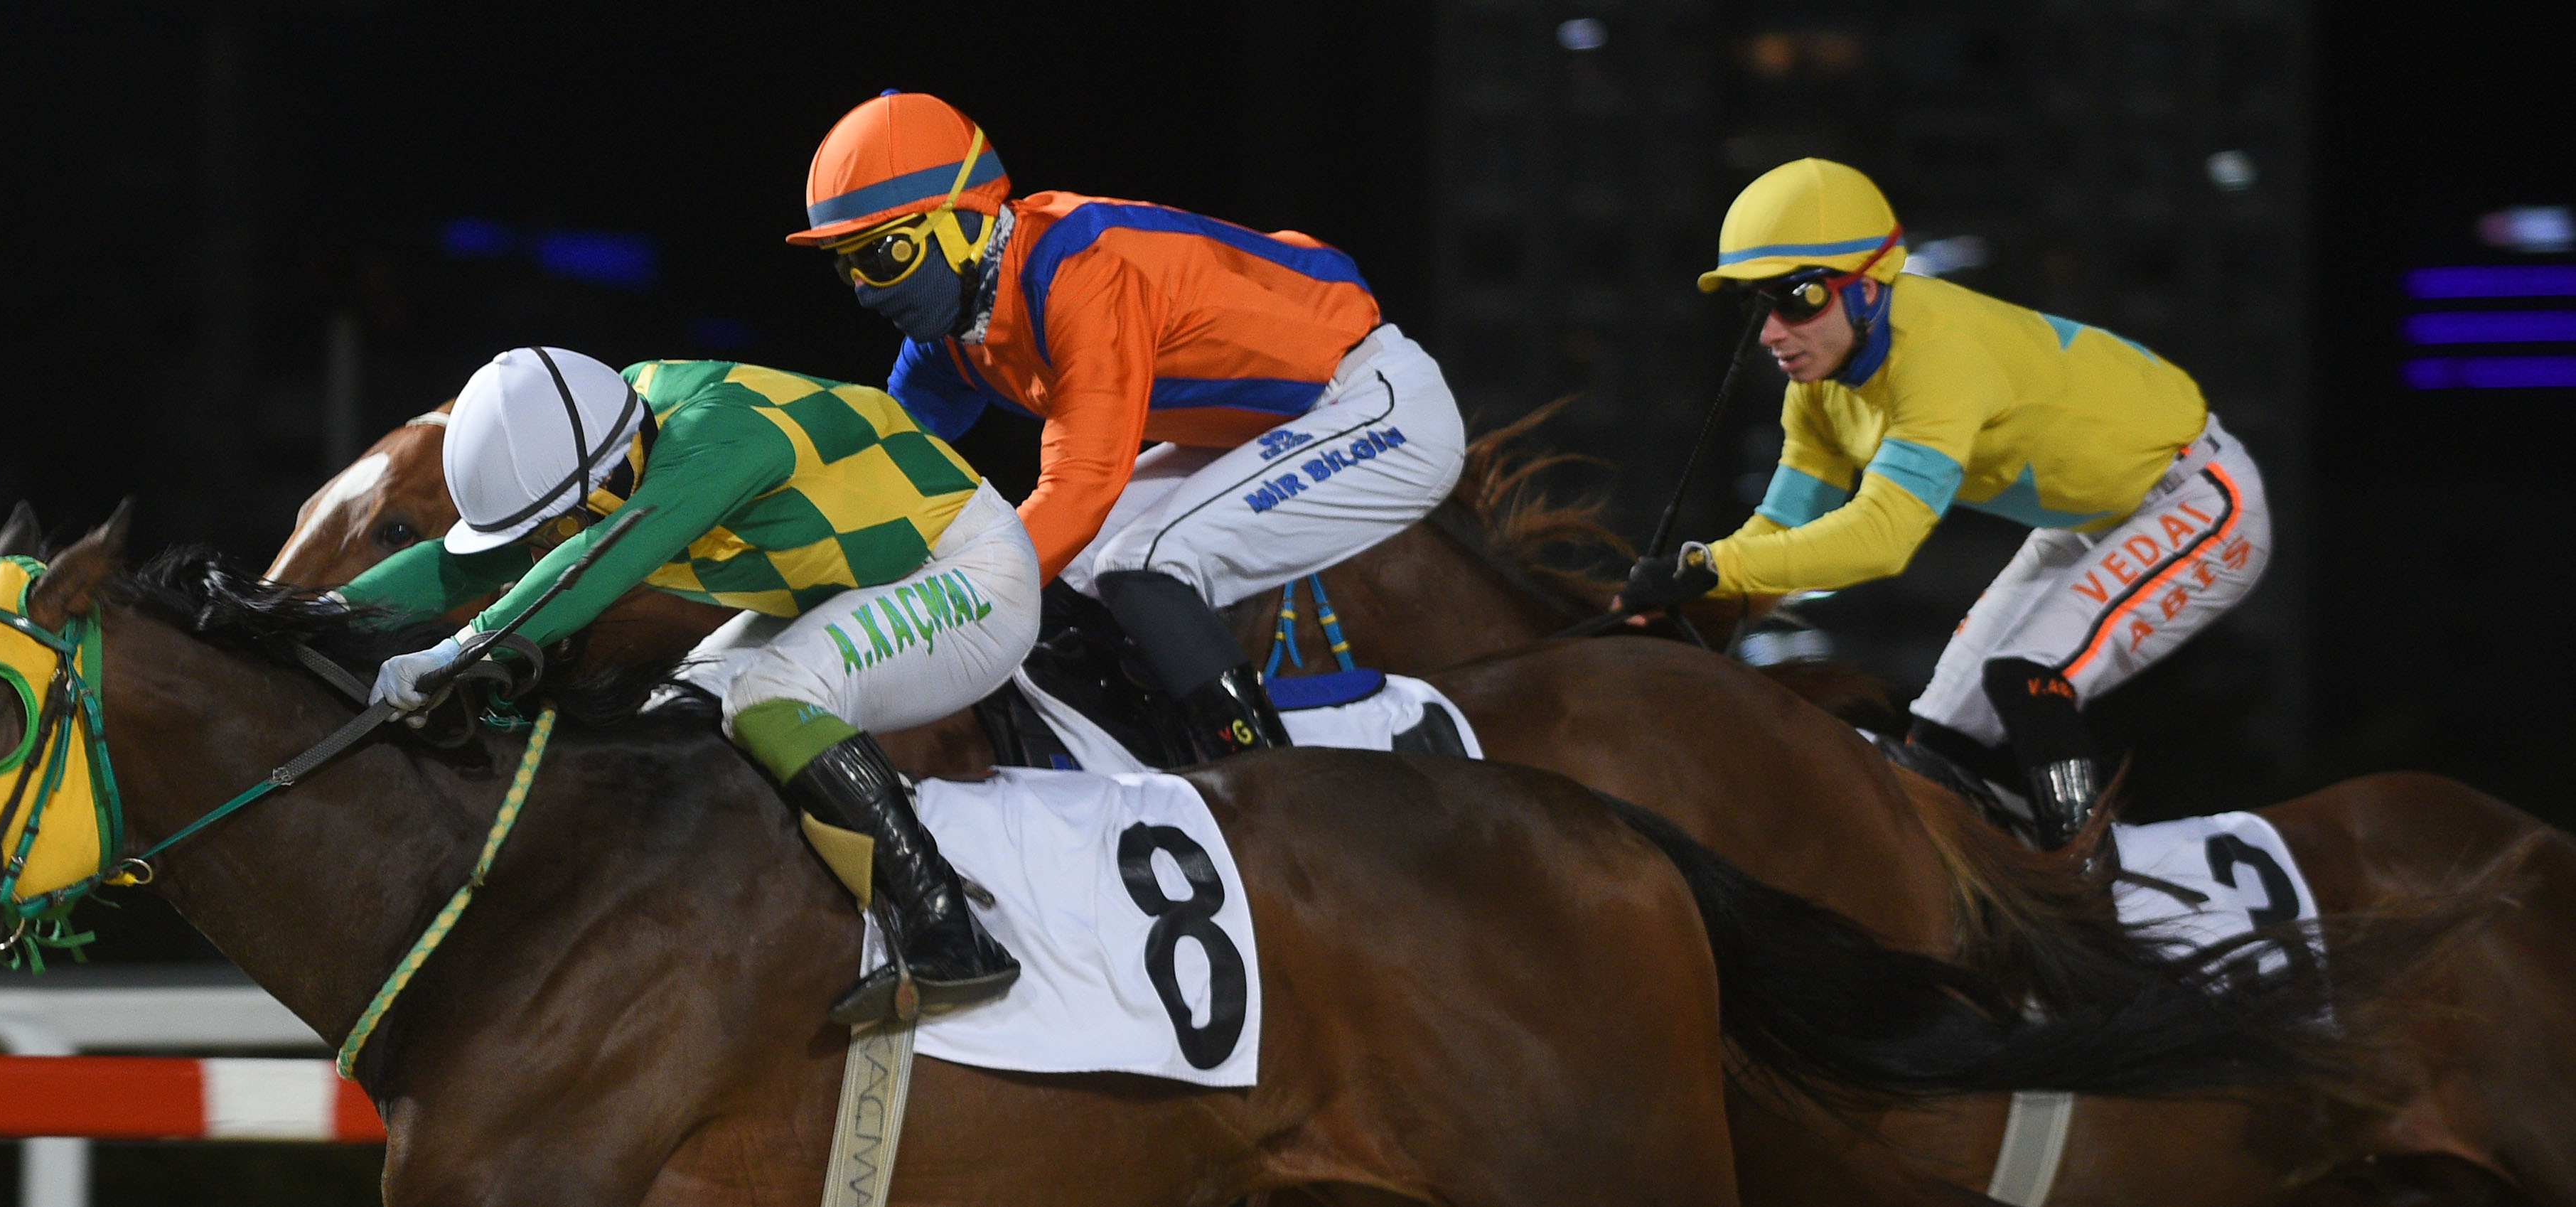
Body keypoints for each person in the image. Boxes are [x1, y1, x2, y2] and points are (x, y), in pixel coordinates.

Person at [353, 347, 1039, 1026]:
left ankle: (949, 930)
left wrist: (459, 651)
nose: (541, 547)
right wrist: (327, 608)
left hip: (973, 573)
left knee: (770, 699)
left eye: (551, 528)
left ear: (601, 484)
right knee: (674, 712)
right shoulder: (604, 432)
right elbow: (465, 566)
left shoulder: (719, 436)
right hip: (858, 586)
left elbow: (592, 565)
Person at [789, 90, 1466, 759]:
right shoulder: (954, 334)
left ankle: (1269, 779)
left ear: (963, 224)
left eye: (883, 256)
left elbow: (1079, 490)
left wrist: (939, 604)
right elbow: (878, 465)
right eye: (846, 264)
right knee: (1073, 578)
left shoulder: (1083, 276)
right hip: (1271, 425)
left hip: (1376, 404)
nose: (865, 290)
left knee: (1142, 566)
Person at [1614, 159, 2270, 848]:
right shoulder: (1816, 389)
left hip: (2198, 499)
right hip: (2092, 516)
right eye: (1755, 304)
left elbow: (1882, 536)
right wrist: (1689, 593)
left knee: (2027, 679)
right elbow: (1782, 525)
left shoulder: (1937, 357)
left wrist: (1711, 567)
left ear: (1869, 288)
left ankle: (2092, 885)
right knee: (1937, 743)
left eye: (1797, 298)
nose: (1771, 332)